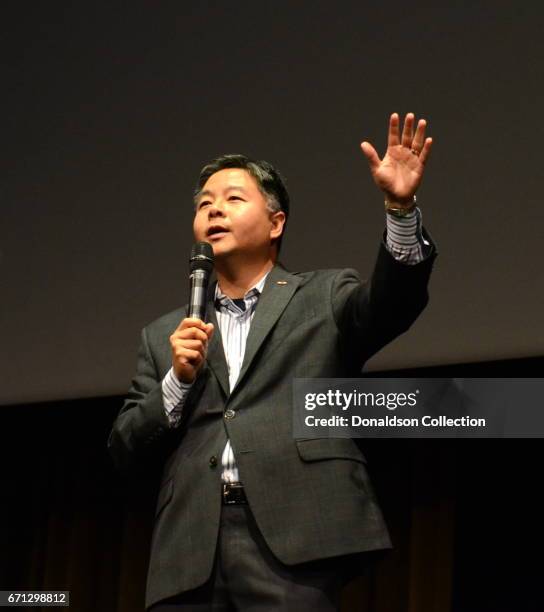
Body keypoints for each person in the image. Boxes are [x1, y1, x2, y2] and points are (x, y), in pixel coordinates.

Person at [108, 113, 437, 611]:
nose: (213, 211)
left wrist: (400, 207)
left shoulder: (321, 296)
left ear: (276, 223)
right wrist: (176, 380)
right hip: (190, 551)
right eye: (204, 204)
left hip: (291, 539)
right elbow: (124, 446)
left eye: (233, 199)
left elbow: (394, 305)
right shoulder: (164, 335)